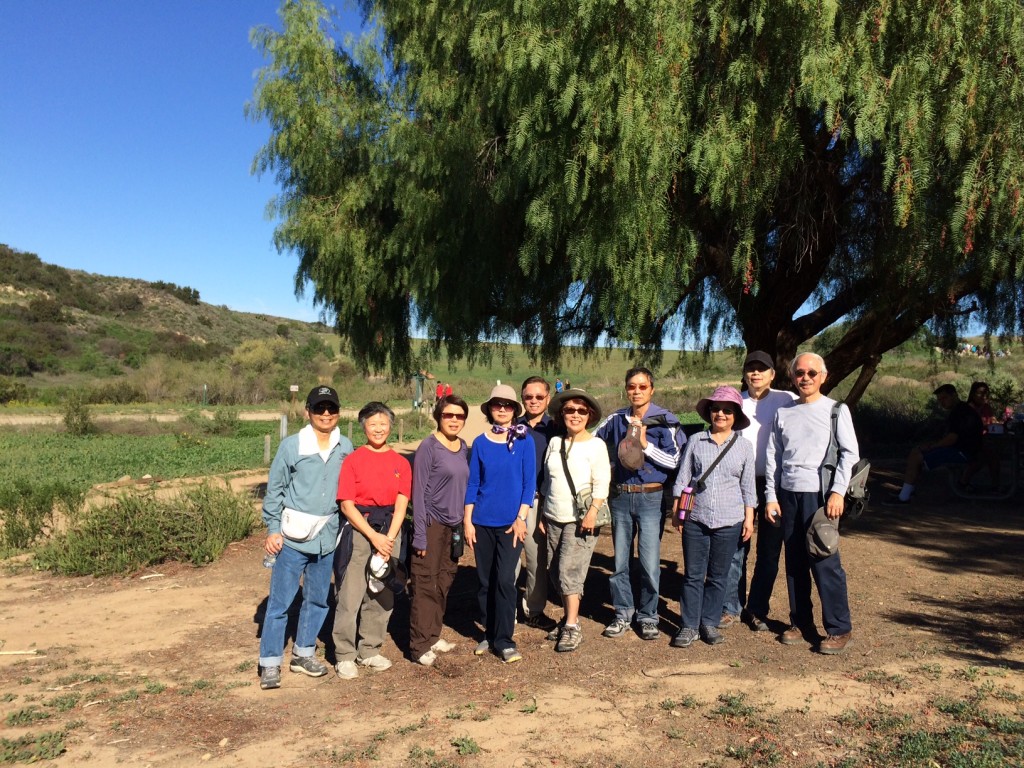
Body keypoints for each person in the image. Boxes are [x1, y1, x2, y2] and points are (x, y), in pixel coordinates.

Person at [258, 385, 353, 690]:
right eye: (319, 408)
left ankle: (303, 653)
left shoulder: (345, 445)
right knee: (281, 602)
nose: (326, 414)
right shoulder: (292, 446)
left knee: (317, 598)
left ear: (338, 412)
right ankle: (270, 662)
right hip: (293, 538)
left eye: (332, 409)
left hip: (327, 537)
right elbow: (275, 491)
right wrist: (273, 529)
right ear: (307, 412)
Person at [764, 352, 858, 654]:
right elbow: (773, 458)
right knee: (794, 562)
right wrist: (770, 495)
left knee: (825, 561)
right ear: (792, 377)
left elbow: (849, 454)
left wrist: (837, 492)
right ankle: (800, 622)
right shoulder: (784, 412)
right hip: (788, 495)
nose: (805, 378)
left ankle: (838, 628)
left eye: (811, 373)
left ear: (823, 376)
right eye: (799, 373)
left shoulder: (836, 410)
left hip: (821, 496)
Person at [595, 367, 686, 641]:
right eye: (632, 387)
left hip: (651, 496)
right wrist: (610, 465)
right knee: (620, 560)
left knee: (648, 561)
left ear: (652, 389)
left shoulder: (666, 420)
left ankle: (648, 616)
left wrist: (646, 445)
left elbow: (676, 462)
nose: (636, 391)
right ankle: (622, 612)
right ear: (626, 389)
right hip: (621, 496)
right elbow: (593, 445)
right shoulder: (615, 419)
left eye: (642, 387)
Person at [670, 386, 756, 648]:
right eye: (716, 409)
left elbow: (748, 486)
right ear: (709, 412)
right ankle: (688, 625)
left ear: (735, 415)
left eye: (727, 410)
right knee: (693, 575)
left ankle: (709, 621)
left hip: (730, 520)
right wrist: (677, 510)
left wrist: (749, 518)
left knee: (719, 576)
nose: (721, 414)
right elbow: (684, 477)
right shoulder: (696, 440)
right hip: (697, 517)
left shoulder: (743, 446)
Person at [331, 402, 411, 679]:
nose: (378, 428)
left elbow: (401, 504)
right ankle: (344, 654)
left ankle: (370, 649)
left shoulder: (401, 463)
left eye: (383, 423)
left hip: (390, 531)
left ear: (391, 426)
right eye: (372, 423)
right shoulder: (353, 460)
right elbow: (347, 505)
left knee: (382, 593)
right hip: (360, 531)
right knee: (350, 593)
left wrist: (388, 539)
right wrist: (373, 536)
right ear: (363, 426)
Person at [721, 351, 797, 632]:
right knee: (736, 546)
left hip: (775, 485)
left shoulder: (785, 400)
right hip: (739, 484)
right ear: (745, 374)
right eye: (751, 369)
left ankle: (757, 608)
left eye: (762, 369)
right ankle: (731, 606)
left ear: (772, 374)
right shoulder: (734, 401)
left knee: (769, 550)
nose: (756, 374)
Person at [464, 384, 536, 663]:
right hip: (482, 521)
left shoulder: (524, 440)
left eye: (508, 405)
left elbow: (529, 483)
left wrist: (521, 518)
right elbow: (473, 483)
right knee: (485, 581)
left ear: (515, 410)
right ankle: (489, 633)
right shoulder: (480, 443)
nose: (502, 409)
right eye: (497, 404)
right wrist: (468, 520)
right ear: (490, 409)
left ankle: (505, 640)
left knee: (506, 580)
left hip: (511, 524)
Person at [540, 389, 611, 652]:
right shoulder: (555, 443)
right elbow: (549, 481)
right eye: (570, 410)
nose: (575, 415)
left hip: (580, 520)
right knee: (554, 569)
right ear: (562, 414)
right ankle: (568, 618)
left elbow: (602, 482)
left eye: (582, 411)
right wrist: (544, 514)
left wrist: (593, 511)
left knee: (569, 572)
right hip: (553, 516)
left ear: (589, 415)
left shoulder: (596, 445)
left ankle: (572, 625)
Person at [409, 394, 471, 667]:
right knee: (425, 582)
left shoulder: (463, 446)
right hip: (432, 525)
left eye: (459, 416)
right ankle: (419, 644)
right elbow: (418, 493)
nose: (454, 420)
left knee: (444, 581)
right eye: (449, 415)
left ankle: (433, 635)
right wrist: (420, 533)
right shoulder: (428, 447)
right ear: (438, 416)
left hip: (454, 525)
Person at [885, 383, 985, 504]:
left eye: (944, 398)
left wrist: (933, 446)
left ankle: (904, 497)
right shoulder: (963, 410)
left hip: (963, 452)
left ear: (954, 395)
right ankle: (907, 490)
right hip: (967, 451)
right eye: (939, 400)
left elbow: (952, 438)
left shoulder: (959, 412)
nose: (942, 402)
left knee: (916, 455)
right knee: (918, 451)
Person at [516, 376, 562, 630]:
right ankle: (505, 607)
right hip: (511, 501)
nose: (533, 401)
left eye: (538, 397)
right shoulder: (513, 426)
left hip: (539, 500)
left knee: (535, 559)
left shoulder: (555, 427)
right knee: (509, 560)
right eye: (528, 396)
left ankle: (533, 609)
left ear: (547, 398)